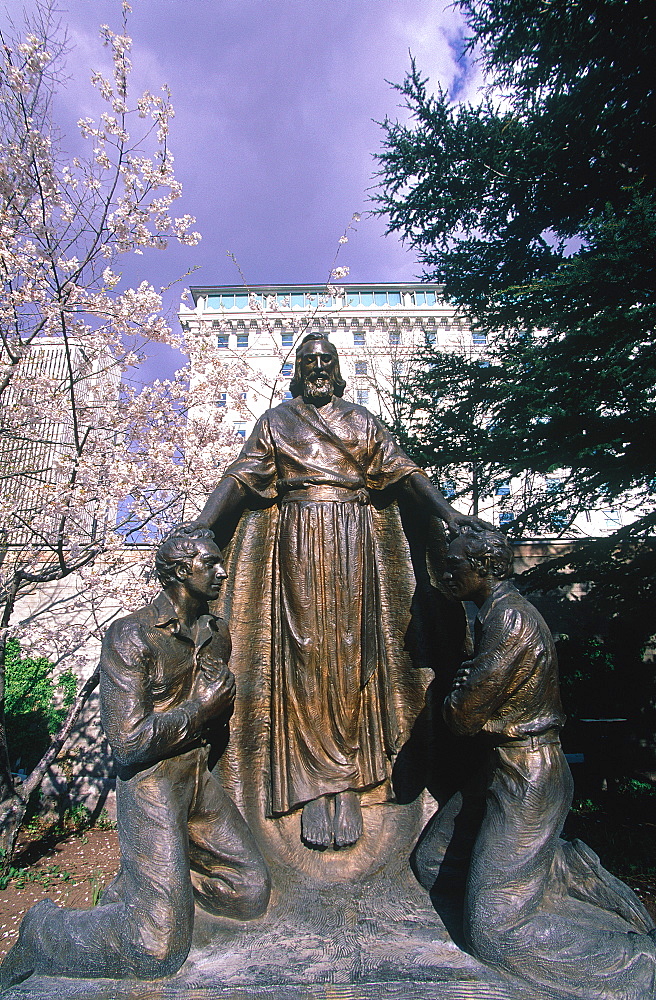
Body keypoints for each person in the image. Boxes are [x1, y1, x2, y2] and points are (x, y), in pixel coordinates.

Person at [194, 333, 483, 850]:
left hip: (354, 542)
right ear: (298, 369)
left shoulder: (361, 422)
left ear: (339, 369)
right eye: (309, 361)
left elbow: (407, 472)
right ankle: (309, 788)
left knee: (352, 655)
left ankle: (347, 784)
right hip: (298, 541)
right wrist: (202, 525)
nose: (318, 368)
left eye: (326, 361)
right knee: (303, 657)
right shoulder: (277, 422)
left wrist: (448, 513)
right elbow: (240, 478)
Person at [0, 528, 270, 991]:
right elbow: (126, 742)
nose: (223, 571)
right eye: (212, 563)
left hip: (197, 779)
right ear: (183, 573)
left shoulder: (214, 630)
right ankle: (44, 931)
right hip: (152, 786)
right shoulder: (131, 636)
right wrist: (199, 710)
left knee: (247, 891)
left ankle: (150, 898)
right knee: (156, 951)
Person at [415, 526, 656, 999]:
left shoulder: (510, 622)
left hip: (528, 775)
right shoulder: (491, 615)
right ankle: (558, 869)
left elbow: (462, 717)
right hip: (495, 769)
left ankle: (637, 963)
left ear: (488, 567)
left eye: (456, 563)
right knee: (434, 862)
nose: (447, 572)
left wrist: (457, 689)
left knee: (495, 935)